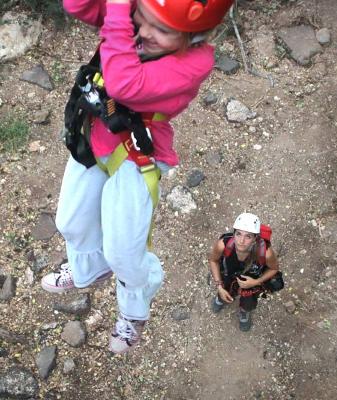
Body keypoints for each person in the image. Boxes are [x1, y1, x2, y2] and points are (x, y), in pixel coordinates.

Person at [40, 0, 234, 353]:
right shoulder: (143, 21)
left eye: (160, 29)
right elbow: (78, 5)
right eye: (140, 19)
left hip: (137, 153)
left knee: (124, 252)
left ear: (195, 34)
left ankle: (134, 311)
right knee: (69, 222)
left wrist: (118, 10)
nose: (143, 32)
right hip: (97, 135)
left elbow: (124, 84)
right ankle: (87, 270)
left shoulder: (194, 63)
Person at [208, 213, 281, 331]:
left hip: (251, 280)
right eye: (238, 234)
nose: (241, 241)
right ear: (234, 233)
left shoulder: (265, 253)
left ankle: (244, 312)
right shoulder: (223, 244)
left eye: (248, 236)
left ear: (255, 238)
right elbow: (213, 260)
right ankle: (221, 299)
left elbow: (274, 268)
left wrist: (256, 282)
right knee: (225, 290)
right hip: (229, 275)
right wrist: (219, 287)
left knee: (249, 301)